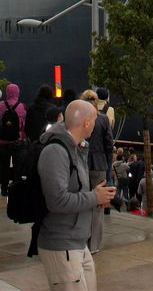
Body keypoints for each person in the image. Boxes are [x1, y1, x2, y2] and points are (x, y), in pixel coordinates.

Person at [35, 99, 116, 291]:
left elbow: (75, 191)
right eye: (95, 120)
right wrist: (94, 197)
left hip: (78, 243)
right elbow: (57, 200)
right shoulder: (56, 151)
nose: (97, 124)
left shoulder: (77, 149)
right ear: (87, 123)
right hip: (61, 244)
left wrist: (98, 198)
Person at [81, 89, 113, 251]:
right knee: (98, 206)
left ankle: (81, 241)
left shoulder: (78, 119)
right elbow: (109, 146)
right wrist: (109, 170)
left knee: (82, 203)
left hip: (81, 165)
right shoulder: (103, 119)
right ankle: (94, 245)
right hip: (99, 166)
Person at [0, 83, 27, 196]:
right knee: (17, 166)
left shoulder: (0, 105)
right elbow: (23, 124)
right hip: (16, 140)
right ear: (17, 93)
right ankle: (15, 188)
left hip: (2, 140)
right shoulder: (21, 106)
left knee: (4, 166)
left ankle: (4, 189)